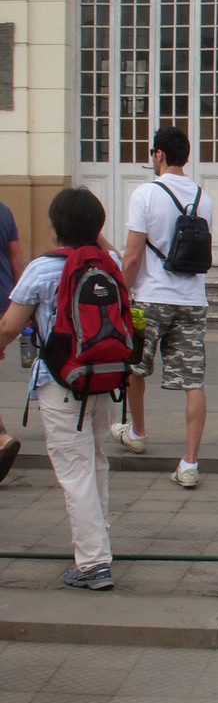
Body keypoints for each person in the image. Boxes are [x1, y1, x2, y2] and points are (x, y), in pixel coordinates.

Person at [0, 188, 117, 589]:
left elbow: (9, 327)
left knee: (75, 471)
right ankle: (100, 545)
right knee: (96, 461)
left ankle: (93, 564)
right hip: (103, 377)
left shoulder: (41, 269)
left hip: (60, 382)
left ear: (55, 228)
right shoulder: (110, 261)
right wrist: (95, 236)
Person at [113, 125, 212, 489]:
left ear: (158, 154)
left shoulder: (146, 194)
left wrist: (123, 292)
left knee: (135, 367)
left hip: (150, 299)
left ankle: (137, 431)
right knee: (193, 381)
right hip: (192, 300)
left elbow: (133, 255)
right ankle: (189, 463)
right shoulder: (205, 198)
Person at [0, 198, 25, 483]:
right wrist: (22, 308)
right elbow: (17, 261)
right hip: (4, 304)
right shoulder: (4, 210)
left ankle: (2, 437)